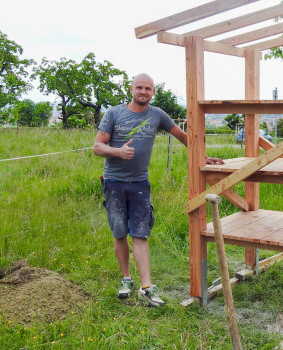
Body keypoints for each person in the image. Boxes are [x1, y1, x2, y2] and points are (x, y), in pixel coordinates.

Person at [93, 73, 223, 307]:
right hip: (114, 182)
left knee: (140, 233)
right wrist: (118, 152)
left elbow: (183, 137)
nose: (143, 92)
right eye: (139, 88)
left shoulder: (158, 115)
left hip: (140, 183)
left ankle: (146, 287)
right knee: (120, 232)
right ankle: (126, 279)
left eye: (148, 89)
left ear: (153, 92)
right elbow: (98, 146)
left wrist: (203, 156)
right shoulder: (114, 113)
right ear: (131, 89)